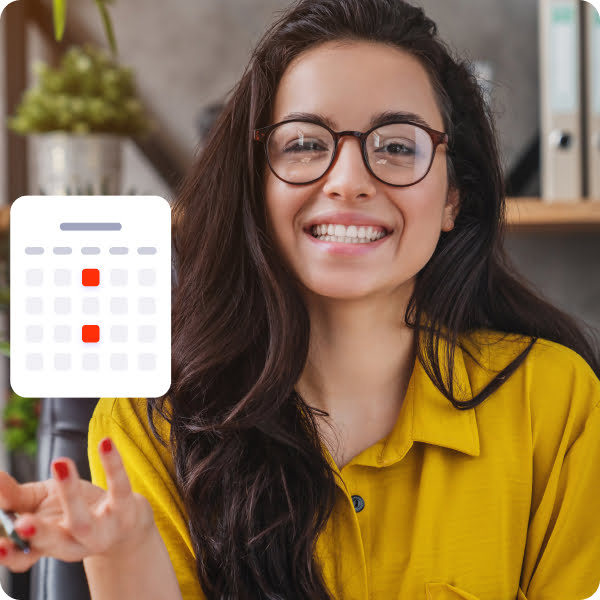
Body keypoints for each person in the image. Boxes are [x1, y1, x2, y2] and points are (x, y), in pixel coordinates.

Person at [1, 0, 600, 598]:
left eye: (397, 146)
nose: (347, 180)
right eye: (305, 144)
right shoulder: (144, 421)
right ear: (257, 188)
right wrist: (128, 552)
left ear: (453, 199)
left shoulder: (555, 404)